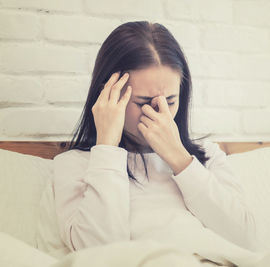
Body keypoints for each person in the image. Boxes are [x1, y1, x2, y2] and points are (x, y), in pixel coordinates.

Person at [51, 21, 259, 263]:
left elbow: (247, 241)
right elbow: (100, 253)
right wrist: (107, 147)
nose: (161, 114)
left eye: (170, 101)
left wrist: (180, 160)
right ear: (110, 94)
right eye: (143, 102)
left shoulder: (207, 156)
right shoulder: (75, 165)